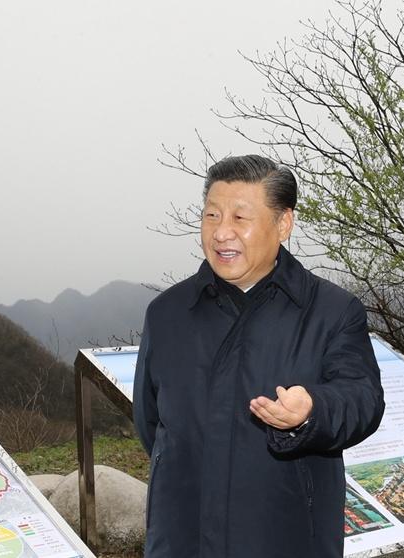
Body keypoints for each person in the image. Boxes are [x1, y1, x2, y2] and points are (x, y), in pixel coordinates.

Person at [133, 154, 385, 558]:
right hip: (182, 539)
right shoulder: (167, 313)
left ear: (283, 223)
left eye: (240, 217)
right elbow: (151, 422)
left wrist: (313, 411)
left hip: (286, 538)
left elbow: (363, 398)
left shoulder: (331, 311)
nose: (221, 233)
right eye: (212, 215)